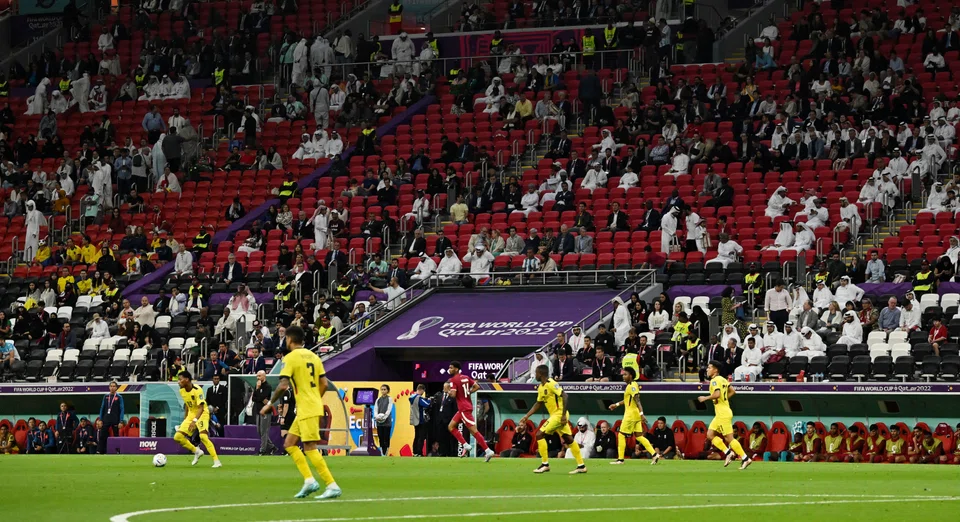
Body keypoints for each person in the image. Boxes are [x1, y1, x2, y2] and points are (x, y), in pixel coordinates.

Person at [260, 326, 341, 499]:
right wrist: (315, 399)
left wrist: (270, 404)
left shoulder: (290, 358)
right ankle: (309, 481)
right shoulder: (314, 356)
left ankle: (331, 484)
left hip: (307, 408)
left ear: (289, 339)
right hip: (308, 407)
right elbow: (324, 384)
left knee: (310, 447)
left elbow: (283, 385)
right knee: (289, 444)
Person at [519, 364, 587, 474]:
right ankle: (581, 466)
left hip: (559, 414)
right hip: (555, 415)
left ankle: (545, 464)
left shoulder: (552, 384)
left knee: (539, 435)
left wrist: (563, 415)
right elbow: (538, 403)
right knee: (569, 439)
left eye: (536, 373)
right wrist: (527, 416)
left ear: (540, 374)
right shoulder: (541, 387)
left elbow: (565, 396)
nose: (535, 375)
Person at [698, 361, 752, 470]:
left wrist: (705, 398)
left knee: (729, 438)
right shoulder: (723, 379)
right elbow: (732, 391)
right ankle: (728, 453)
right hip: (721, 413)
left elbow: (717, 394)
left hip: (723, 414)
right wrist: (724, 399)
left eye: (709, 368)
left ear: (715, 370)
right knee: (710, 434)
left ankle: (745, 458)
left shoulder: (714, 381)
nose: (707, 370)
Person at [608, 367, 662, 464]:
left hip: (631, 415)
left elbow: (637, 400)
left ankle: (620, 459)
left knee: (621, 435)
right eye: (623, 374)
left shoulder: (632, 386)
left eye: (625, 374)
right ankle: (654, 454)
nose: (623, 376)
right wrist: (616, 405)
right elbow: (628, 400)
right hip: (635, 415)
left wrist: (642, 414)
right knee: (639, 436)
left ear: (631, 376)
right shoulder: (633, 385)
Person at [171, 371, 223, 468]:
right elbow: (187, 404)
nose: (178, 382)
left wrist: (194, 421)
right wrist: (186, 418)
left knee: (203, 437)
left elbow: (201, 408)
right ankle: (196, 451)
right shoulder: (182, 390)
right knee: (177, 437)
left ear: (187, 379)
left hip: (202, 413)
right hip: (191, 414)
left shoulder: (197, 390)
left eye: (180, 379)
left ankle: (216, 461)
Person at [446, 361, 496, 460]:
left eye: (451, 368)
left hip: (464, 408)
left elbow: (454, 395)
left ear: (456, 369)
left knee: (474, 431)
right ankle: (465, 445)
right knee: (451, 427)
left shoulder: (453, 380)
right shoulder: (466, 377)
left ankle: (488, 450)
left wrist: (448, 391)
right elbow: (477, 386)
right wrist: (469, 392)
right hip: (465, 407)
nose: (449, 369)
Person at [253, 370, 278, 455]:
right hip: (258, 411)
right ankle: (272, 447)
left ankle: (262, 450)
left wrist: (259, 395)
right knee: (259, 431)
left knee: (264, 431)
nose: (258, 378)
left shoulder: (268, 386)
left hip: (266, 412)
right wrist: (258, 391)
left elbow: (262, 397)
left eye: (259, 376)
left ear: (264, 376)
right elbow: (254, 398)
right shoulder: (257, 386)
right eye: (257, 376)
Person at [98, 381, 125, 454]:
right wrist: (100, 419)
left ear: (116, 388)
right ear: (109, 387)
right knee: (102, 435)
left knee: (116, 436)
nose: (112, 388)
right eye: (111, 386)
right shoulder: (106, 396)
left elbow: (122, 409)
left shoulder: (119, 397)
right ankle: (100, 451)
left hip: (115, 420)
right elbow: (102, 408)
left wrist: (121, 421)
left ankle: (117, 451)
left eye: (114, 386)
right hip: (106, 419)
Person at [409, 384, 431, 456]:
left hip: (415, 419)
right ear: (421, 390)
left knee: (416, 436)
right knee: (421, 437)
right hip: (420, 420)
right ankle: (419, 452)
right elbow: (427, 404)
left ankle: (415, 452)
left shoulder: (412, 397)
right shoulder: (419, 398)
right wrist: (429, 400)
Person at [374, 384, 394, 456]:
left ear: (387, 390)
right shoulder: (378, 399)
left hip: (387, 422)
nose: (383, 391)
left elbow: (389, 409)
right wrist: (377, 417)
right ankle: (382, 452)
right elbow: (375, 409)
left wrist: (384, 417)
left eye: (384, 389)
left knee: (386, 437)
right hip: (379, 422)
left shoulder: (390, 399)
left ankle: (386, 452)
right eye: (382, 389)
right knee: (380, 437)